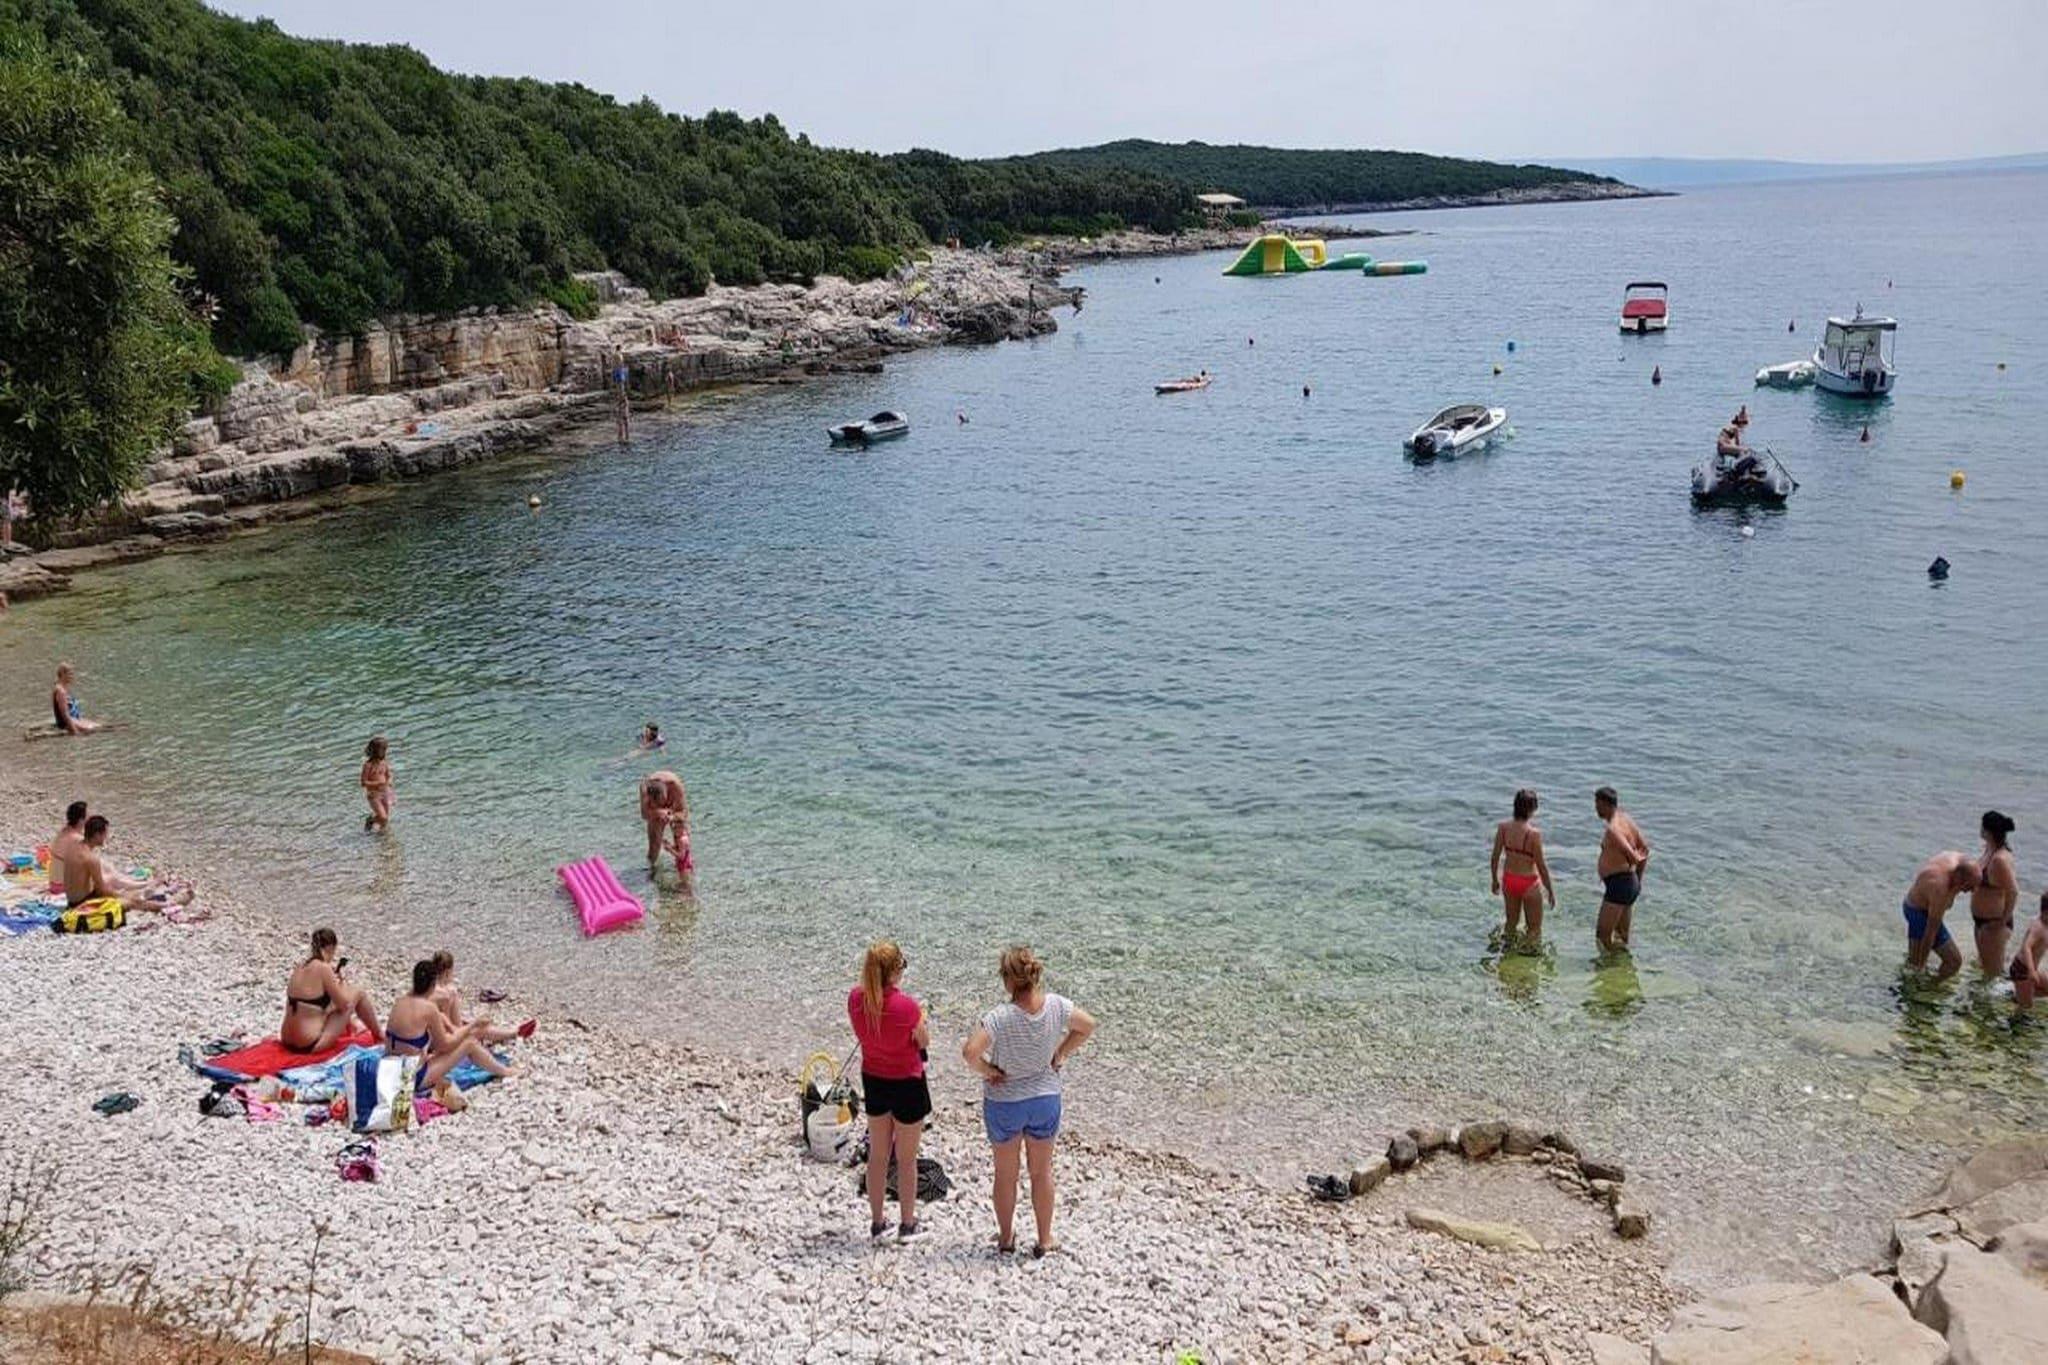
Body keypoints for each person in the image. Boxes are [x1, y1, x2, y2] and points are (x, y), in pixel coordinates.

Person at [961, 946, 1095, 1258]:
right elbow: (1087, 1025)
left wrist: (989, 1071)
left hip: (1005, 1103)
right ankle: (1045, 1238)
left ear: (1008, 980)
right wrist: (1060, 1053)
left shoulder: (1000, 1017)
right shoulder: (1057, 1006)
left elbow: (969, 1052)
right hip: (1045, 1098)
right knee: (1042, 1172)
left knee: (1006, 1175)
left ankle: (1006, 1238)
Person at [849, 941, 931, 1242]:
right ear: (895, 971)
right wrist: (921, 1020)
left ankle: (877, 1222)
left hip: (874, 1080)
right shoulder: (908, 1007)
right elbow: (923, 1042)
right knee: (907, 1159)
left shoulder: (855, 999)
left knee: (878, 1155)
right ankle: (907, 1224)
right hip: (907, 1084)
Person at [386, 959, 518, 1097]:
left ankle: (509, 1037)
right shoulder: (428, 1009)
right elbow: (445, 1045)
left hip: (389, 1071)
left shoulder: (400, 1002)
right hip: (409, 1078)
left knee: (462, 1036)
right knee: (470, 1043)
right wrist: (473, 1024)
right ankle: (505, 1071)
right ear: (432, 985)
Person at [281, 928, 384, 1052]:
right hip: (309, 1045)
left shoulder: (300, 967)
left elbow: (313, 1004)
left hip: (286, 1040)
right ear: (331, 948)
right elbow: (344, 1006)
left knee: (323, 1008)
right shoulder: (324, 968)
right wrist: (341, 985)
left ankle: (356, 1028)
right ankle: (379, 1035)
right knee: (358, 993)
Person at [62, 815, 188, 911]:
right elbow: (102, 891)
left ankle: (147, 887)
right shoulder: (90, 858)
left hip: (72, 898)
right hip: (81, 903)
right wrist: (123, 896)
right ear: (97, 835)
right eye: (105, 834)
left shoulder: (74, 847)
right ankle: (166, 905)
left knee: (111, 879)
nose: (106, 837)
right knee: (133, 902)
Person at [1490, 789, 1556, 949]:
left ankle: (1506, 952)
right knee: (1534, 929)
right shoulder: (1533, 834)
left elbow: (1495, 857)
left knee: (1511, 923)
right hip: (1529, 883)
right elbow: (1541, 866)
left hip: (1509, 881)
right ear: (1532, 809)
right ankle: (1528, 957)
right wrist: (1550, 890)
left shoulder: (1503, 828)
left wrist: (1494, 880)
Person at [426, 950, 533, 1045]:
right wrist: (472, 1025)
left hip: (425, 1037)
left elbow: (443, 1020)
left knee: (472, 1025)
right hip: (439, 1042)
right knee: (480, 1030)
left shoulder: (427, 988)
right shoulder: (448, 993)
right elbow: (455, 1028)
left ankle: (508, 1034)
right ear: (447, 972)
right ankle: (515, 1033)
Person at [1902, 851, 1979, 980]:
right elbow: (1930, 931)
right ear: (1959, 878)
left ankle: (1915, 976)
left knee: (1912, 963)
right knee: (1953, 962)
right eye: (1970, 886)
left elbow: (1970, 868)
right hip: (1918, 913)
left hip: (1914, 901)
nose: (1972, 891)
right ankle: (1930, 986)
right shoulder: (1940, 889)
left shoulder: (1956, 859)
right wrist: (1922, 965)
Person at [1594, 787, 1650, 952]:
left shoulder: (1613, 829)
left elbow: (1632, 856)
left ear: (1605, 804)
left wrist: (1633, 862)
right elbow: (1645, 849)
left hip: (1619, 885)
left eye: (1597, 804)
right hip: (1629, 883)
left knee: (1602, 936)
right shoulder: (1626, 819)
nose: (1596, 809)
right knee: (1621, 935)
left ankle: (1610, 964)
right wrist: (1638, 880)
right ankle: (1623, 964)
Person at [1970, 811, 2019, 975]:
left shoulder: (2000, 859)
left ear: (1988, 831)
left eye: (1982, 826)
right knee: (1983, 968)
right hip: (1981, 921)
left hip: (1993, 923)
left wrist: (2002, 922)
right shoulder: (1988, 850)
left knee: (1993, 975)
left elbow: (2013, 892)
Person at [640, 770, 692, 875]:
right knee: (654, 844)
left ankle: (685, 870)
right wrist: (657, 812)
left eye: (662, 801)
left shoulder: (675, 786)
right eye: (656, 803)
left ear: (666, 792)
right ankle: (652, 871)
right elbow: (644, 814)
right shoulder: (645, 789)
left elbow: (684, 813)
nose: (662, 805)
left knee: (681, 839)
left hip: (674, 809)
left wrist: (672, 817)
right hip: (655, 812)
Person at [2011, 892, 2048, 1010]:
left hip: (2031, 969)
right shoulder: (2038, 927)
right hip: (2022, 970)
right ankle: (2021, 999)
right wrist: (2032, 971)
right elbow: (2027, 946)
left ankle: (2018, 996)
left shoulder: (2046, 925)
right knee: (2027, 1007)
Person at [47, 800, 88, 897]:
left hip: (54, 884)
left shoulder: (64, 831)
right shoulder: (77, 839)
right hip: (65, 887)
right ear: (81, 820)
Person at [51, 663, 100, 735]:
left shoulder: (63, 689)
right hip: (68, 723)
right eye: (70, 674)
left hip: (75, 719)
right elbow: (65, 714)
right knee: (94, 729)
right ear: (63, 674)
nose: (72, 677)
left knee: (99, 726)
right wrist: (75, 732)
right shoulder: (60, 691)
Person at [360, 736, 393, 832]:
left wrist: (389, 781)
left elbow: (388, 775)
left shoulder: (384, 763)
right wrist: (378, 783)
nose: (385, 752)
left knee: (385, 818)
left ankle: (382, 835)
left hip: (385, 793)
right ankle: (371, 821)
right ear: (375, 751)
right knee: (383, 817)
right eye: (383, 749)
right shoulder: (368, 765)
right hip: (374, 795)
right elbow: (363, 783)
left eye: (385, 749)